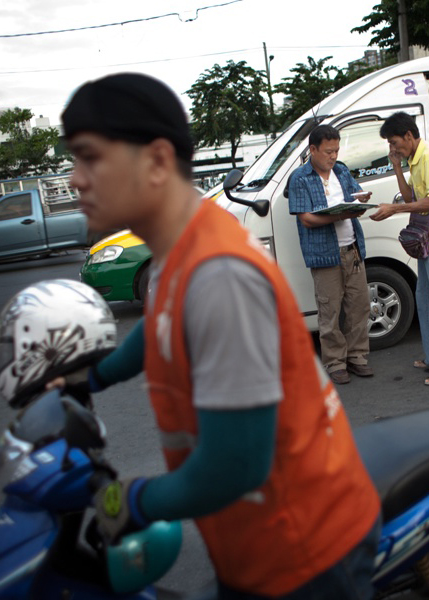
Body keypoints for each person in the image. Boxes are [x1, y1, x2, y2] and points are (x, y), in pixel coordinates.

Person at [60, 73, 381, 599]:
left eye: (90, 157)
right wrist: (93, 373)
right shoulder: (174, 253)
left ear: (158, 161)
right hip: (251, 543)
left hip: (304, 554)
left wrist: (129, 499)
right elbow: (159, 327)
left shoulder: (220, 277)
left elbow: (233, 468)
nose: (75, 179)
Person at [370, 111, 429, 386]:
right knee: (426, 301)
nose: (393, 147)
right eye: (389, 144)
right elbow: (411, 196)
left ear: (409, 136)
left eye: (394, 142)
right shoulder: (415, 160)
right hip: (427, 238)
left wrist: (394, 208)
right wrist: (397, 167)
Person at [288, 124, 373, 386]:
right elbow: (306, 220)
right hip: (325, 254)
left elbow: (355, 195)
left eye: (336, 150)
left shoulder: (342, 171)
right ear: (312, 150)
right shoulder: (300, 178)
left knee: (359, 306)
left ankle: (357, 356)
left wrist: (361, 200)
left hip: (352, 248)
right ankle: (335, 361)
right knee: (330, 310)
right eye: (328, 151)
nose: (333, 156)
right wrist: (342, 214)